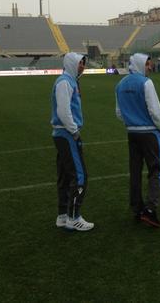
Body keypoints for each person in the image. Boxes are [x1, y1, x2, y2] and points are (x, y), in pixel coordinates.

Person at [116, 53, 160, 228]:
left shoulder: (120, 84)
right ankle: (151, 209)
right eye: (147, 64)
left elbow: (119, 113)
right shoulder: (146, 83)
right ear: (140, 65)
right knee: (155, 169)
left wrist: (131, 122)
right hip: (148, 133)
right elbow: (154, 110)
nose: (150, 67)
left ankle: (137, 208)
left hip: (132, 133)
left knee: (135, 171)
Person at [51, 52, 94, 231]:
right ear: (71, 64)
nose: (82, 66)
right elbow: (63, 110)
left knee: (65, 176)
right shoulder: (65, 82)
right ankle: (73, 217)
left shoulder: (68, 81)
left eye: (83, 63)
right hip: (67, 134)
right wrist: (74, 131)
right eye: (79, 63)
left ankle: (63, 215)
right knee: (80, 176)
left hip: (62, 134)